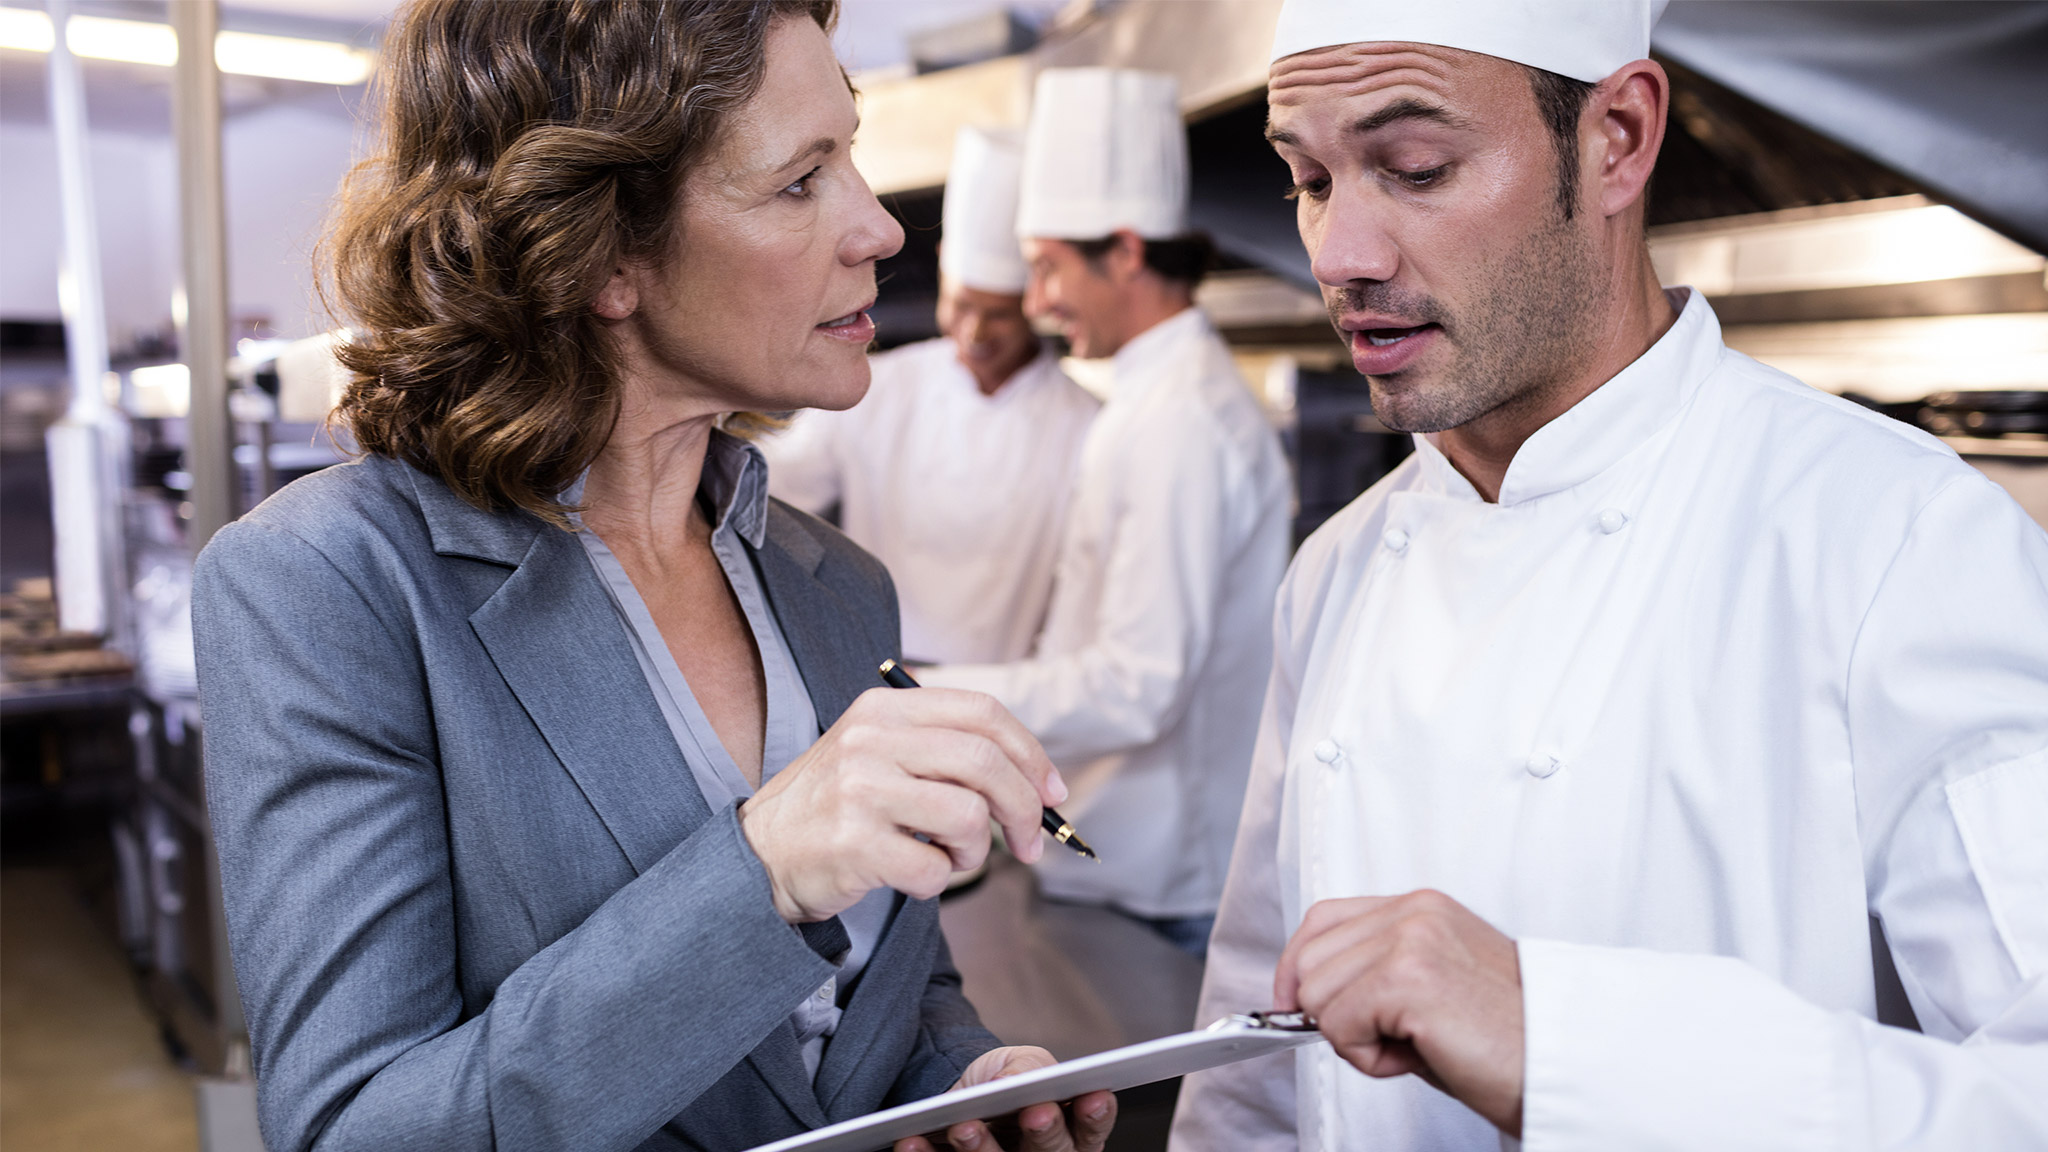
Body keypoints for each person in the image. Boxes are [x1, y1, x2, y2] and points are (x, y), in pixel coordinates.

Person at [190, 4, 1116, 1151]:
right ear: (604, 257)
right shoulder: (329, 589)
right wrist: (763, 867)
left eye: (853, 156)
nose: (877, 226)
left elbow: (867, 1000)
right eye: (798, 181)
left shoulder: (837, 587)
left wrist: (955, 1075)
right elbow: (354, 1133)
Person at [1171, 0, 2048, 1147]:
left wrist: (1569, 1045)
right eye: (1310, 179)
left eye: (1417, 168)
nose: (1340, 256)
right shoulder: (1336, 569)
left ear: (1618, 139)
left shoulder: (1897, 541)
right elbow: (1254, 1079)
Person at [918, 69, 1293, 959]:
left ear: (1124, 251)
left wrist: (931, 699)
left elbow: (1137, 684)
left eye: (1048, 268)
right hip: (1124, 861)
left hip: (1162, 882)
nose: (1037, 302)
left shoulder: (1181, 425)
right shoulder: (1150, 401)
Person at [763, 125, 1099, 666]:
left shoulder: (1085, 424)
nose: (975, 333)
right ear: (942, 267)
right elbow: (772, 490)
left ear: (1034, 303)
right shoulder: (876, 388)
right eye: (962, 306)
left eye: (999, 316)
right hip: (871, 670)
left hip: (1008, 693)